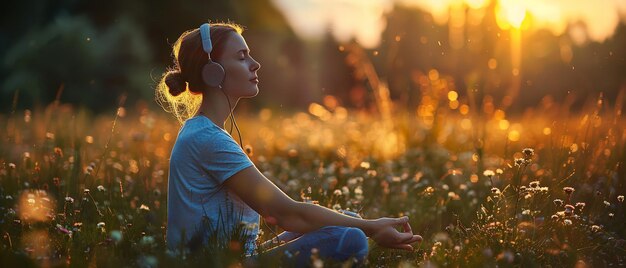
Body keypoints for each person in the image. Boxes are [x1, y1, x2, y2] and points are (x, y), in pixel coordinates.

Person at [156, 22, 422, 265]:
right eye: (241, 57)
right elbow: (286, 215)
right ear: (213, 72)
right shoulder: (206, 138)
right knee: (350, 237)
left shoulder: (206, 132)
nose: (255, 64)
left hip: (235, 259)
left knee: (350, 219)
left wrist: (368, 225)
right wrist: (373, 227)